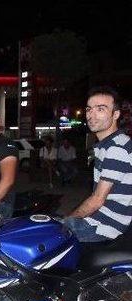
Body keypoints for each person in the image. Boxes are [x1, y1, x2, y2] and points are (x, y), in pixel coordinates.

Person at [64, 86, 132, 242]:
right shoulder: (110, 144)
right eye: (89, 109)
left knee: (45, 238)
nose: (91, 115)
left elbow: (97, 200)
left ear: (116, 114)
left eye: (100, 109)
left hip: (105, 225)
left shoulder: (117, 148)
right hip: (100, 218)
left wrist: (66, 222)